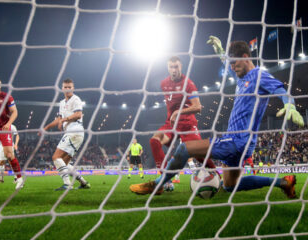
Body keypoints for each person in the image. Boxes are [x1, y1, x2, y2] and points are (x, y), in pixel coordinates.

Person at [130, 38, 303, 198]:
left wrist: (290, 104)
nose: (232, 67)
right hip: (242, 141)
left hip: (237, 140)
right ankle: (283, 182)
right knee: (229, 185)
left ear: (245, 57)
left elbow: (281, 89)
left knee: (184, 149)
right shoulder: (241, 76)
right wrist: (220, 50)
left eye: (234, 63)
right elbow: (227, 64)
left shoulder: (258, 75)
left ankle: (158, 184)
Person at [149, 56, 217, 180]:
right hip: (171, 125)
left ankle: (217, 176)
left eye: (176, 67)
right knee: (154, 140)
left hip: (188, 124)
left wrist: (177, 112)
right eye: (171, 67)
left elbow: (198, 107)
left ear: (181, 67)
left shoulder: (189, 84)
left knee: (198, 155)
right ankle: (165, 180)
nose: (174, 70)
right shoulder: (163, 83)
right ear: (167, 68)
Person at [43, 78, 90, 190]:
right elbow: (58, 119)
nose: (67, 89)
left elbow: (78, 114)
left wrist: (64, 120)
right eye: (65, 87)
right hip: (74, 134)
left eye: (70, 87)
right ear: (62, 88)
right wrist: (46, 127)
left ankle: (67, 184)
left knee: (55, 157)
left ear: (73, 88)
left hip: (75, 131)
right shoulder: (61, 103)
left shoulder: (76, 99)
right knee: (63, 162)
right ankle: (83, 182)